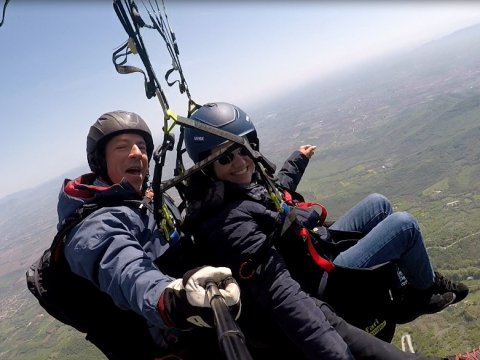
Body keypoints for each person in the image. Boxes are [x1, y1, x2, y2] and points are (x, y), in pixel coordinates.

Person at [181, 101, 469, 359]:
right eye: (224, 158)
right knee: (404, 226)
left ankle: (404, 284)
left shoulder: (236, 187)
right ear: (206, 166)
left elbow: (274, 193)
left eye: (242, 149)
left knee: (378, 204)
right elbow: (280, 292)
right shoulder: (227, 220)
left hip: (314, 248)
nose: (240, 162)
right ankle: (421, 294)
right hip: (321, 281)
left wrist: (297, 159)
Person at [55, 110, 241, 360]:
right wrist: (173, 298)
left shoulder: (144, 199)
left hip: (194, 321)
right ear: (100, 160)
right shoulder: (93, 227)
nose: (136, 153)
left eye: (141, 146)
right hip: (168, 343)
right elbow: (127, 271)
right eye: (122, 147)